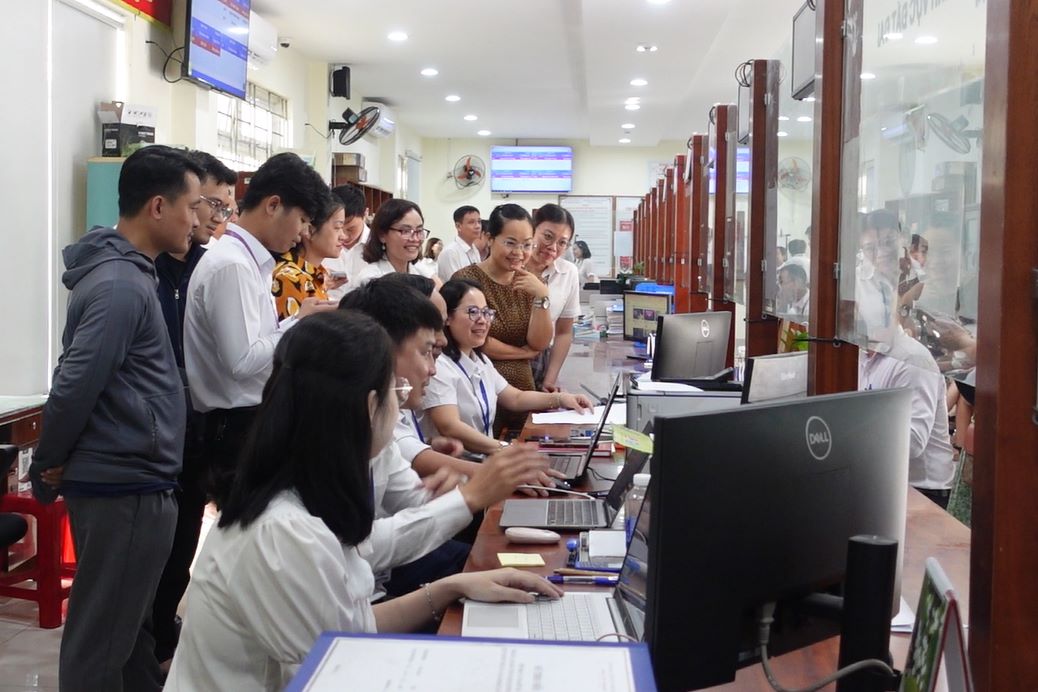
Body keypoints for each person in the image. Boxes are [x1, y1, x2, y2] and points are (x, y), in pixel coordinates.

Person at [165, 311, 561, 691]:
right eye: (396, 391)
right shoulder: (285, 530)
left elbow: (349, 625)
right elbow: (344, 662)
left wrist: (451, 588)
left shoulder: (303, 490)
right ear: (370, 406)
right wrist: (469, 498)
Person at [30, 145, 204, 692]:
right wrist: (49, 460)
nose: (198, 221)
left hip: (134, 477)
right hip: (122, 482)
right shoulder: (120, 285)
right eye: (193, 206)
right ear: (157, 206)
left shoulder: (132, 276)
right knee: (99, 645)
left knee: (128, 638)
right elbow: (77, 380)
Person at [339, 278, 553, 596]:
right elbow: (367, 547)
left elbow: (413, 497)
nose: (434, 364)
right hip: (382, 580)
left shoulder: (382, 418)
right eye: (428, 347)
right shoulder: (355, 430)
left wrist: (457, 490)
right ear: (382, 347)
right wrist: (478, 488)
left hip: (381, 577)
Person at [184, 152, 336, 509]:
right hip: (232, 426)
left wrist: (294, 322)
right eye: (301, 220)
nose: (302, 233)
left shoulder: (249, 262)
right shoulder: (231, 266)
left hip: (245, 419)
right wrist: (298, 325)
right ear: (273, 205)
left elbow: (253, 344)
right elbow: (241, 361)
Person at [151, 149, 236, 671]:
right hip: (155, 432)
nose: (213, 217)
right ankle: (149, 643)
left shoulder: (211, 264)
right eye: (208, 203)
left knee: (183, 542)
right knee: (151, 553)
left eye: (225, 206)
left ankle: (163, 635)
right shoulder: (146, 268)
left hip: (198, 429)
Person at [425, 279, 592, 454]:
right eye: (472, 312)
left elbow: (515, 397)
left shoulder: (479, 360)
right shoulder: (439, 367)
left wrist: (561, 399)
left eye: (486, 312)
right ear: (447, 318)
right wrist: (506, 449)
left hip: (488, 458)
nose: (482, 320)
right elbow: (450, 427)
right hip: (461, 465)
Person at [452, 204, 553, 434]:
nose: (519, 252)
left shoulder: (532, 282)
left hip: (523, 394)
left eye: (527, 245)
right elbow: (478, 341)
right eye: (510, 243)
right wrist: (524, 353)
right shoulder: (467, 281)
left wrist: (542, 296)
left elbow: (539, 343)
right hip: (478, 393)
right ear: (489, 238)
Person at [524, 204, 581, 392]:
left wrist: (550, 379)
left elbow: (564, 332)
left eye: (562, 242)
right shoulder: (513, 265)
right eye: (547, 237)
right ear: (532, 230)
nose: (553, 248)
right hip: (501, 360)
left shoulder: (568, 272)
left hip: (541, 360)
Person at [271, 191, 347, 319]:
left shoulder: (315, 274)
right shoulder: (291, 278)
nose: (343, 236)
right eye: (337, 227)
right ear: (309, 230)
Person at [349, 198, 426, 290]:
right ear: (382, 235)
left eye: (419, 231)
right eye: (406, 231)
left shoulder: (419, 275)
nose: (415, 239)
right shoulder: (371, 280)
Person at [321, 184, 368, 302]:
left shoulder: (379, 245)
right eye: (338, 227)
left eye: (351, 229)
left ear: (365, 214)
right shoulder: (320, 245)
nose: (344, 236)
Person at [436, 205, 482, 282]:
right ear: (458, 226)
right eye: (471, 222)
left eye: (479, 222)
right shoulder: (450, 252)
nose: (477, 226)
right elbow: (457, 285)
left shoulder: (474, 249)